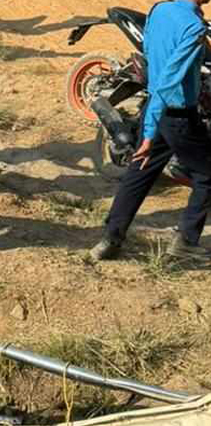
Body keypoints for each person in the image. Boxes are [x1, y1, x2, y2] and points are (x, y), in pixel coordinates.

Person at [90, 0, 211, 263]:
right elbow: (169, 81)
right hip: (175, 114)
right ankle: (186, 242)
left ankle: (110, 238)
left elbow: (149, 52)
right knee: (207, 174)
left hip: (155, 108)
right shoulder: (193, 27)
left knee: (139, 173)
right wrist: (148, 132)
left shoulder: (159, 9)